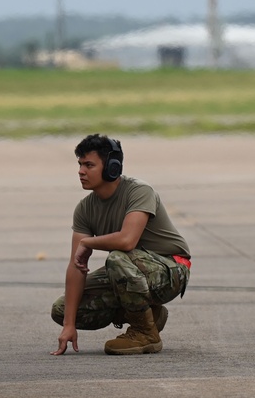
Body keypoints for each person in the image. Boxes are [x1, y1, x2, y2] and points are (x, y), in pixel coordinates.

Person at [50, 134, 191, 356]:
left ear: (112, 168)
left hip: (171, 269)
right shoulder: (85, 209)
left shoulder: (139, 191)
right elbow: (76, 266)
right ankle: (150, 315)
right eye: (79, 164)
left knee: (116, 257)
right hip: (132, 270)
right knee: (62, 309)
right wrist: (69, 325)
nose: (81, 171)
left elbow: (127, 240)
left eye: (89, 165)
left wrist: (88, 241)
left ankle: (145, 333)